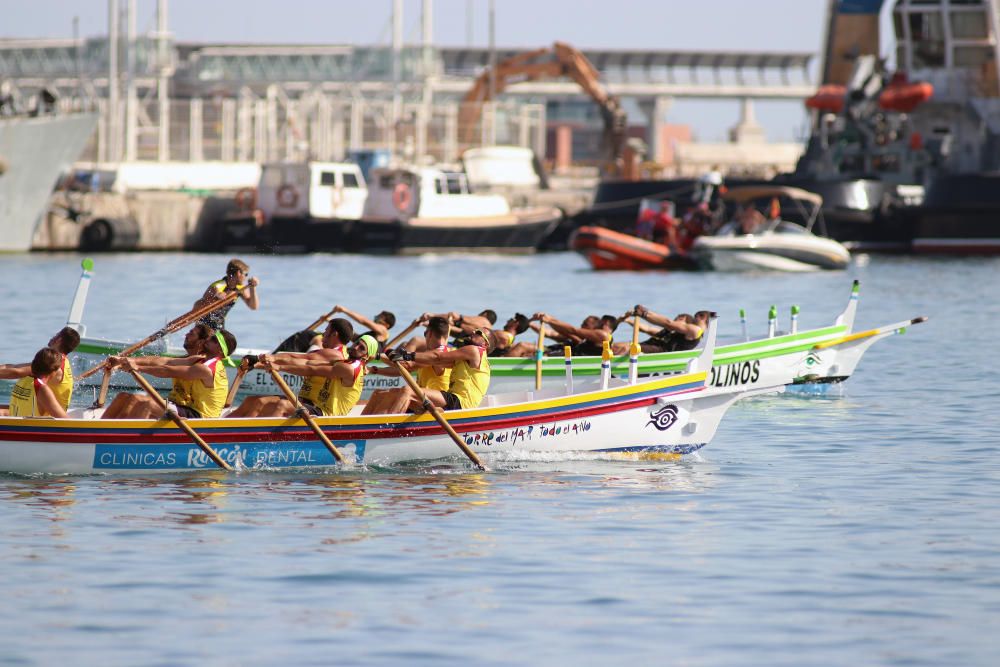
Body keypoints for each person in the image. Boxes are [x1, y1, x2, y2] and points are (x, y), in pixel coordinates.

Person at [227, 318, 354, 418]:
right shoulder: (326, 352)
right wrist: (256, 364)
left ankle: (256, 441)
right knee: (253, 400)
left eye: (326, 331)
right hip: (305, 401)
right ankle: (223, 430)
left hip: (320, 410)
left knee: (279, 405)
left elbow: (300, 358)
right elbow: (300, 359)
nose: (322, 334)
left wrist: (269, 358)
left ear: (334, 334)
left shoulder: (335, 355)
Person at [103, 329, 237, 420]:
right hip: (182, 406)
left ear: (219, 349)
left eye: (213, 339)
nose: (208, 338)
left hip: (199, 416)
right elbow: (165, 361)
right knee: (126, 397)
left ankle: (126, 444)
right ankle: (101, 434)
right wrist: (124, 361)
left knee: (148, 405)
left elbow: (167, 371)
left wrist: (137, 368)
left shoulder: (207, 369)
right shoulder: (198, 359)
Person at [238, 334, 378, 418]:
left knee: (282, 405)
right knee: (257, 401)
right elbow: (306, 361)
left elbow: (311, 369)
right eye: (357, 343)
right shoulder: (343, 360)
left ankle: (264, 443)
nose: (355, 347)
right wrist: (267, 360)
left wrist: (279, 367)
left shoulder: (349, 368)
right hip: (312, 406)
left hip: (326, 414)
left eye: (361, 348)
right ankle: (238, 433)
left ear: (366, 356)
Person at [375, 327, 494, 414]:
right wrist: (378, 357)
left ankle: (386, 428)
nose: (473, 331)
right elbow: (432, 361)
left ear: (485, 344)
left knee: (407, 391)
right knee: (393, 393)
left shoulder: (474, 350)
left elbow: (438, 357)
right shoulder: (466, 359)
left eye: (479, 333)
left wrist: (406, 355)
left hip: (460, 403)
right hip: (453, 401)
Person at [363, 317, 453, 415]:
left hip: (438, 402)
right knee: (379, 393)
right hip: (422, 397)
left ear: (430, 333)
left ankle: (386, 426)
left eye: (425, 334)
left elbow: (406, 365)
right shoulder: (429, 353)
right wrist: (375, 370)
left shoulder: (440, 354)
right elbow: (401, 369)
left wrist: (376, 355)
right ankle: (361, 425)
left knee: (404, 390)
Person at [0, 326, 81, 413]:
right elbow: (15, 367)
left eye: (56, 335)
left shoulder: (53, 365)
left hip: (38, 422)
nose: (52, 337)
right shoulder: (58, 361)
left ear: (59, 340)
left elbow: (16, 372)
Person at [193, 258, 260, 330]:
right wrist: (217, 297)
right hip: (204, 324)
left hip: (219, 324)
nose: (246, 278)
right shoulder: (217, 286)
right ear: (238, 273)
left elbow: (253, 306)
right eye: (245, 274)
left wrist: (252, 288)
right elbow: (199, 304)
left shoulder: (240, 288)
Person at [7, 348, 69, 418]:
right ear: (53, 371)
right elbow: (66, 421)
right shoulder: (42, 389)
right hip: (31, 428)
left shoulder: (22, 380)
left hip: (15, 427)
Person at [531, 313, 618, 357]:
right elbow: (566, 331)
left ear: (605, 324)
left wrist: (549, 320)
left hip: (576, 362)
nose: (598, 325)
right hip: (571, 358)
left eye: (600, 323)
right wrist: (549, 318)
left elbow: (573, 330)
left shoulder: (603, 335)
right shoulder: (590, 336)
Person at [632, 306, 706, 353]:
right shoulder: (670, 332)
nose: (676, 319)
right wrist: (627, 320)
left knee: (627, 347)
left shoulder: (694, 332)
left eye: (680, 318)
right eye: (677, 317)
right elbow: (648, 329)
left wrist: (644, 313)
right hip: (644, 349)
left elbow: (668, 323)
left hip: (659, 353)